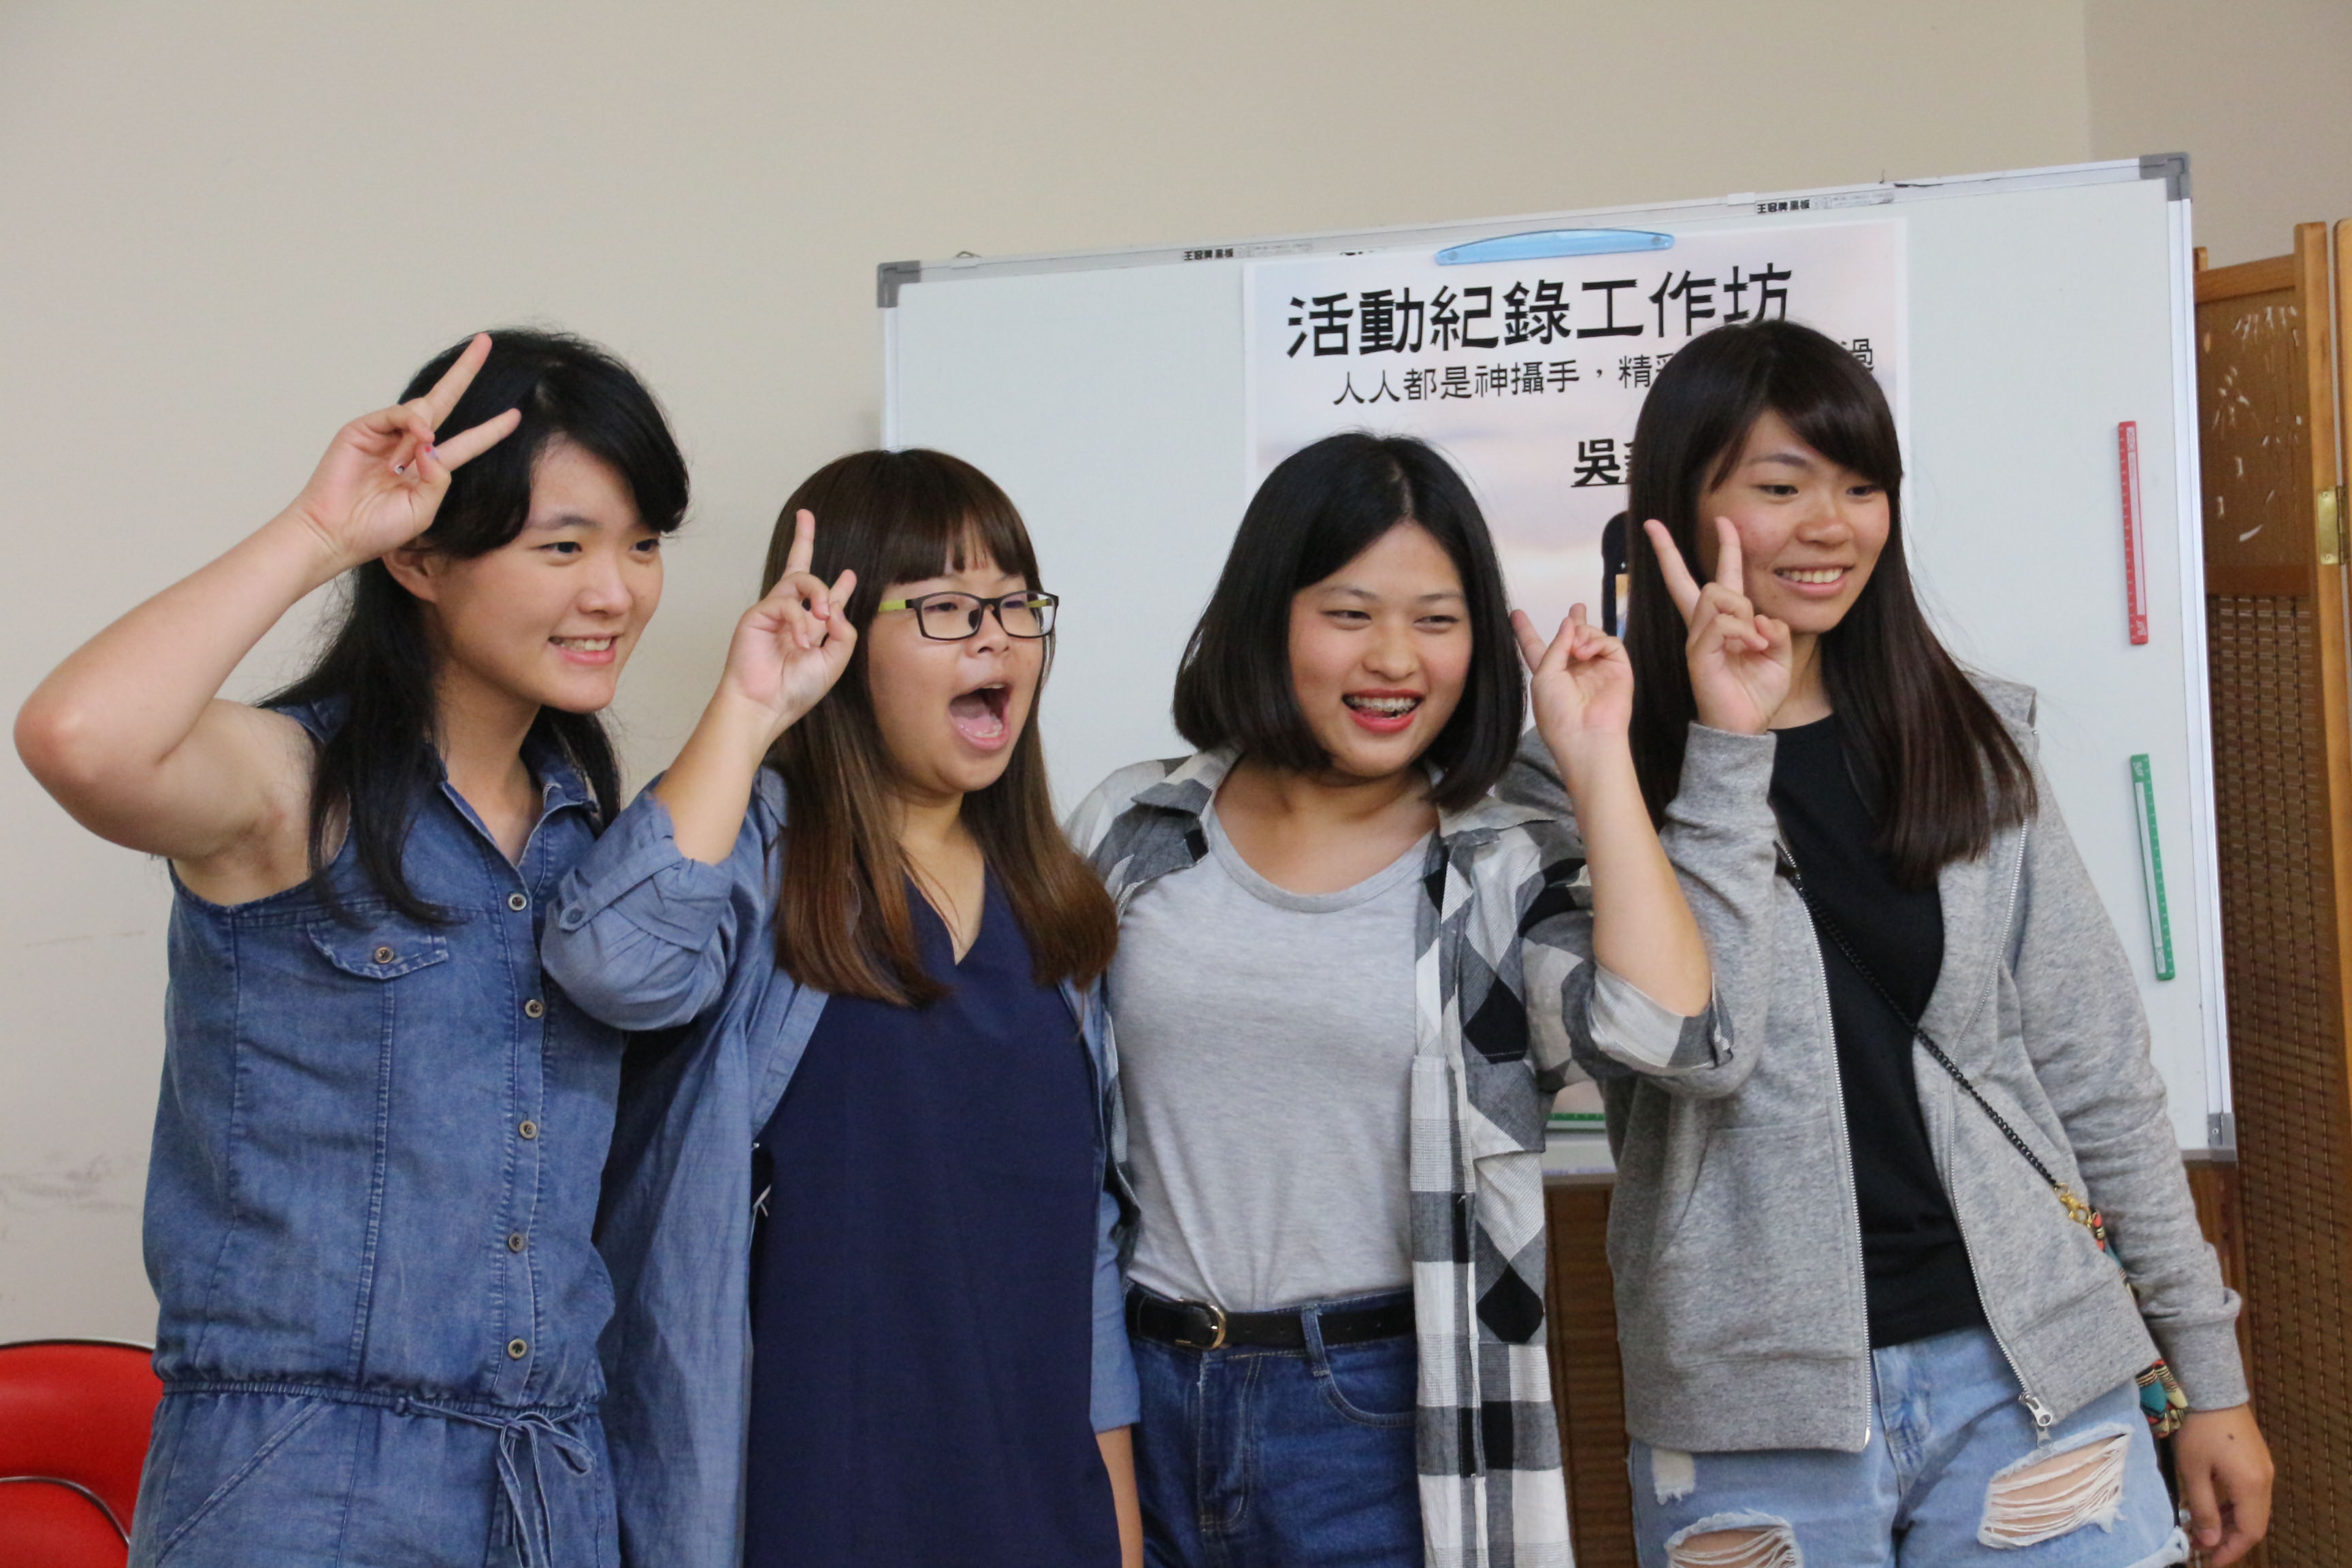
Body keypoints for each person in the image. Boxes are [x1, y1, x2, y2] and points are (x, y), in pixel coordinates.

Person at [1519, 317, 2272, 1567]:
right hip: (1751, 1413)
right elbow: (1690, 1048)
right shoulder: (1579, 774)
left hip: (2032, 1370)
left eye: (1863, 487)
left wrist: (2212, 1377)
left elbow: (2095, 1072)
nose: (1833, 526)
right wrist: (1726, 754)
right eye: (1781, 488)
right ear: (1676, 507)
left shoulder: (1972, 741)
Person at [14, 329, 689, 1566]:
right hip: (305, 1478)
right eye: (564, 546)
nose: (616, 592)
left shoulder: (592, 848)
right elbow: (79, 736)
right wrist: (323, 532)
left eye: (642, 544)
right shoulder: (294, 787)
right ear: (420, 557)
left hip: (551, 1481)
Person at [1066, 432, 1717, 1568]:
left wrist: (1596, 761)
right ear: (1269, 615)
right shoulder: (1137, 830)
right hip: (1138, 1387)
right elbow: (1051, 1138)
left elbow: (1672, 1035)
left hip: (1381, 1408)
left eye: (1437, 619)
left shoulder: (1499, 865)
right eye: (1350, 613)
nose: (1395, 660)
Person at [540, 448, 1143, 1568]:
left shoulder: (1054, 909)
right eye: (948, 608)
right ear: (842, 635)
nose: (998, 640)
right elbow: (612, 965)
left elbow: (1086, 1259)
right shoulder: (764, 852)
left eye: (1017, 604)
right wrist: (748, 707)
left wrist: (1119, 1534)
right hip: (812, 1505)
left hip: (1035, 1513)